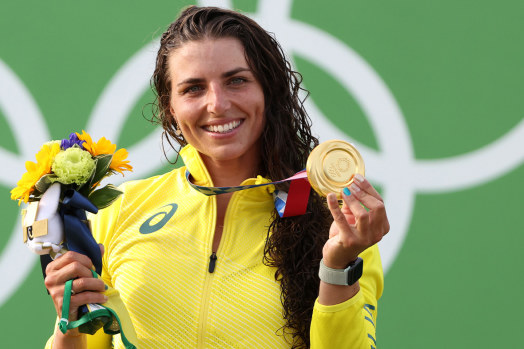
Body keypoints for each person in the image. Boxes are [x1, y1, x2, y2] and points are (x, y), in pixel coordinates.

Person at [43, 5, 388, 349]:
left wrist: (337, 268)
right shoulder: (121, 210)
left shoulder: (335, 225)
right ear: (171, 108)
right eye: (193, 88)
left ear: (269, 91)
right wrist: (69, 325)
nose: (217, 104)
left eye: (236, 80)